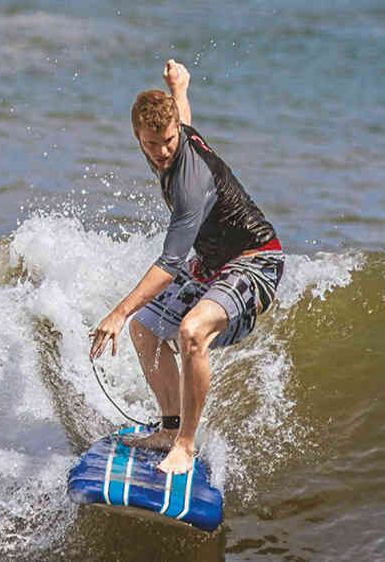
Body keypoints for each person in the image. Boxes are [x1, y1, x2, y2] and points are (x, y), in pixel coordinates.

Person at [88, 59, 285, 474]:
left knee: (190, 331)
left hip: (255, 262)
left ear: (176, 134)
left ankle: (186, 444)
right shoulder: (172, 134)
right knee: (147, 330)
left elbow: (171, 262)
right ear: (138, 136)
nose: (162, 152)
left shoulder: (190, 182)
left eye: (169, 142)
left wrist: (117, 313)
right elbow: (183, 113)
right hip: (213, 263)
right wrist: (179, 85)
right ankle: (169, 425)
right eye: (152, 144)